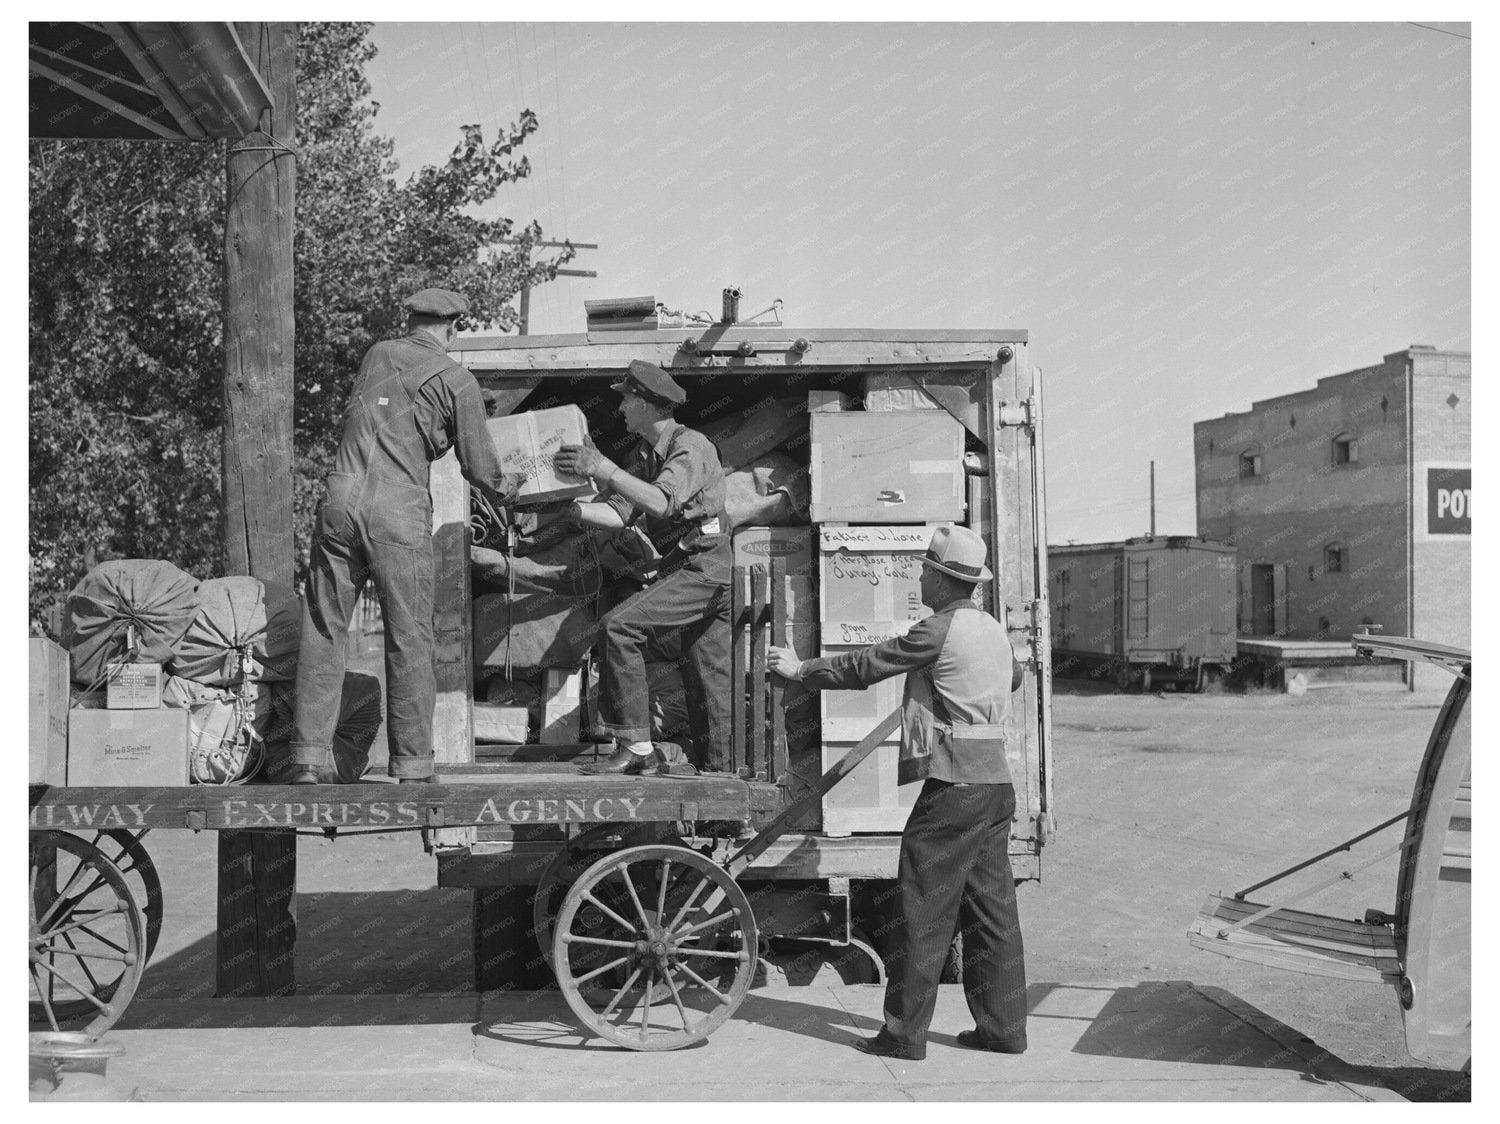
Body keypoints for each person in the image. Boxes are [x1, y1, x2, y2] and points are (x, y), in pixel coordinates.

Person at [768, 525, 1028, 1060]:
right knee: (992, 912)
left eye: (925, 570)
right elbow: (1016, 681)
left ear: (942, 578)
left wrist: (800, 670)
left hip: (955, 786)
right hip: (996, 787)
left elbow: (869, 665)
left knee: (922, 910)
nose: (918, 576)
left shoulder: (939, 629)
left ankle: (903, 1035)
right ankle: (1004, 1031)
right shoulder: (993, 631)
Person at [289, 288, 522, 785]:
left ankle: (308, 758)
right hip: (397, 508)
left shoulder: (376, 353)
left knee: (324, 626)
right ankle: (414, 763)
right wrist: (511, 485)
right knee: (410, 635)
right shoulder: (458, 380)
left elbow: (386, 413)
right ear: (454, 328)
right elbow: (481, 469)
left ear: (412, 319)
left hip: (339, 499)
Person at [553, 359, 731, 776]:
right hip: (685, 570)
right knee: (706, 681)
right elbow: (619, 513)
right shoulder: (642, 454)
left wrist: (603, 469)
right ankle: (718, 785)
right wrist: (568, 510)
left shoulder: (691, 446)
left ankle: (637, 747)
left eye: (628, 400)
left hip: (705, 568)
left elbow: (661, 502)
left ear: (649, 406)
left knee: (619, 626)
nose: (621, 409)